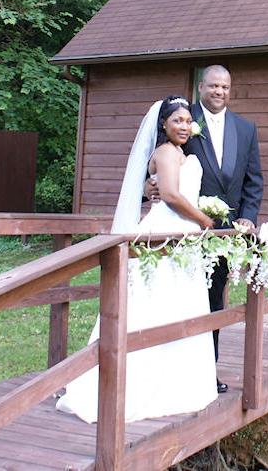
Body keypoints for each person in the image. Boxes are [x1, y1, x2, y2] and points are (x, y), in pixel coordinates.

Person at [55, 96, 219, 423]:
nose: (184, 126)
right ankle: (139, 381)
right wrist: (204, 219)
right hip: (167, 233)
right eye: (177, 121)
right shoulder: (166, 152)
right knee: (155, 304)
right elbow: (171, 196)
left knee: (178, 304)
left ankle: (177, 381)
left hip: (181, 236)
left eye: (188, 121)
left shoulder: (181, 154)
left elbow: (165, 189)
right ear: (163, 124)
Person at [149, 65, 264, 390]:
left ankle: (205, 373)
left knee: (213, 301)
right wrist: (149, 186)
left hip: (222, 235)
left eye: (225, 87)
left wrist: (247, 217)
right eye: (214, 86)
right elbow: (156, 162)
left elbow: (254, 181)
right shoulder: (183, 119)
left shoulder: (246, 128)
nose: (219, 92)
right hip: (182, 230)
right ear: (201, 87)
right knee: (175, 298)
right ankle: (165, 367)